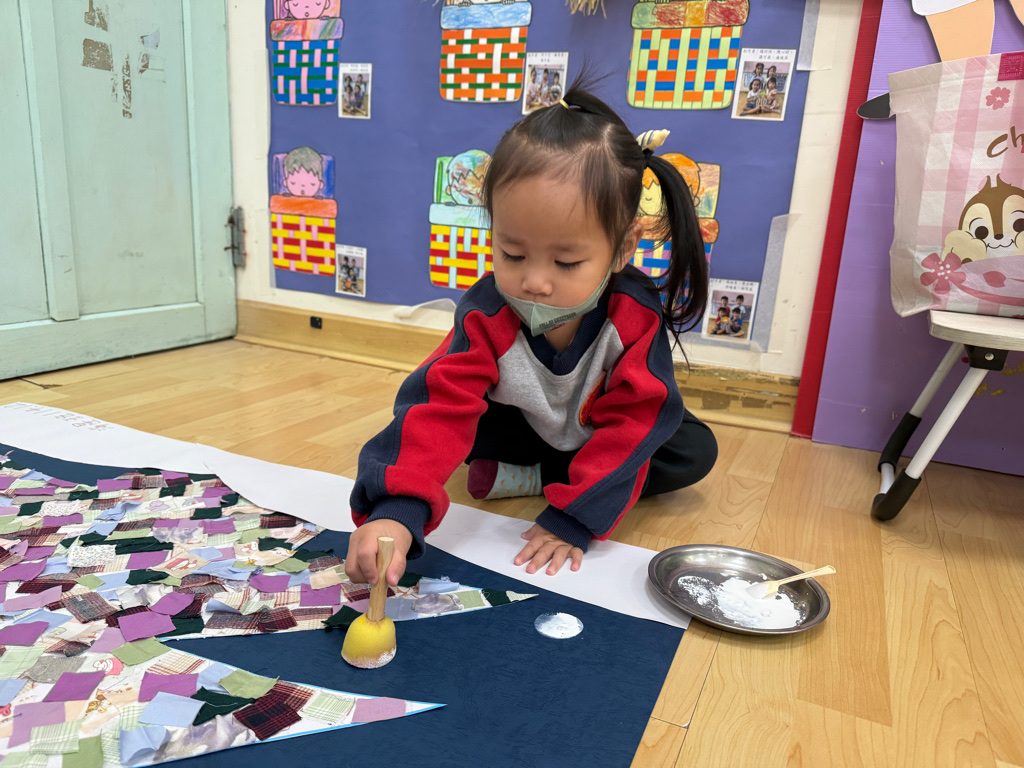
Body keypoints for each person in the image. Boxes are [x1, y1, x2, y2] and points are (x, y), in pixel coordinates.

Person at [345, 75, 717, 587]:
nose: (535, 282)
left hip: (595, 431)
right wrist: (396, 509)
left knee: (689, 447)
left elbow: (636, 419)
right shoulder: (486, 312)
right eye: (512, 254)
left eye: (567, 262)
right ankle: (545, 470)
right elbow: (439, 404)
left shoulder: (634, 315)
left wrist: (576, 515)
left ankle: (544, 478)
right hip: (524, 423)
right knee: (457, 428)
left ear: (623, 248)